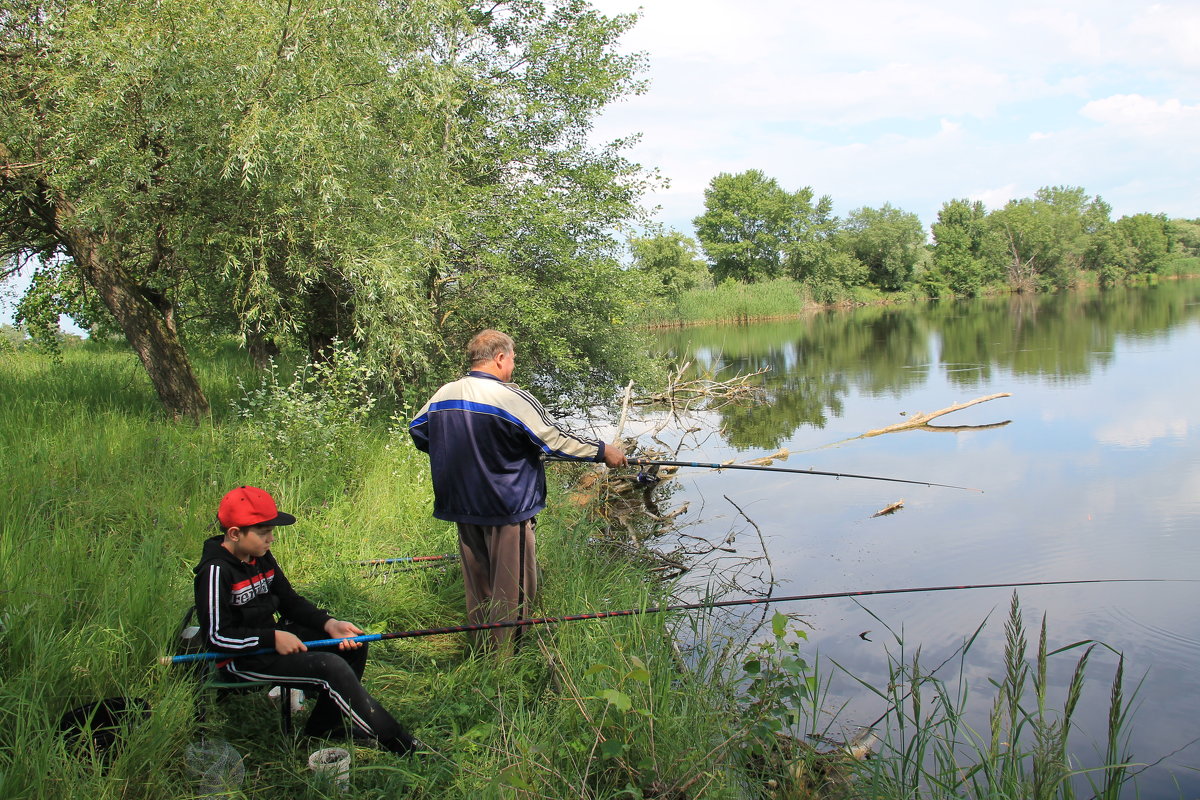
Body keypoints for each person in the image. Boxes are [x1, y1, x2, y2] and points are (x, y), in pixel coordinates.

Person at [409, 329, 627, 651]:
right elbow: (554, 439)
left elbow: (419, 430)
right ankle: (509, 659)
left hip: (462, 504)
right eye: (512, 359)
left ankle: (481, 649)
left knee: (478, 581)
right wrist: (603, 450)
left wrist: (464, 455)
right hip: (507, 506)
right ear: (499, 358)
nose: (513, 366)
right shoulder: (511, 397)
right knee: (513, 587)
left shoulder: (444, 394)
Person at [194, 485, 423, 754]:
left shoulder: (261, 557)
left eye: (272, 532)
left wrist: (329, 624)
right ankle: (399, 743)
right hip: (240, 659)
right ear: (234, 533)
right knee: (330, 667)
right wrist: (272, 637)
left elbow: (289, 601)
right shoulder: (215, 572)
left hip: (273, 641)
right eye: (263, 533)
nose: (271, 539)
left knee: (354, 643)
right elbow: (216, 637)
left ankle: (325, 725)